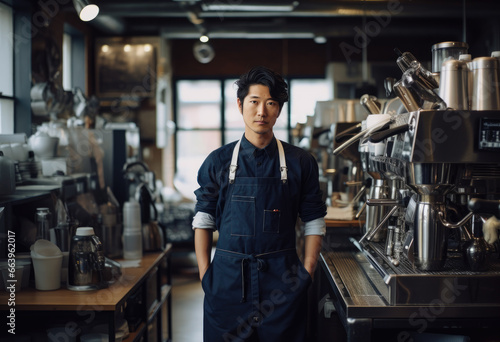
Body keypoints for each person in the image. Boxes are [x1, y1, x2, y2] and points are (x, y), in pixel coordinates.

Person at [192, 66, 326, 342]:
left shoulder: (301, 162)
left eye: (271, 103)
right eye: (254, 102)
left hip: (283, 285)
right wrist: (206, 276)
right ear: (240, 105)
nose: (261, 111)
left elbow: (314, 219)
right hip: (227, 285)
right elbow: (203, 219)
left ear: (279, 110)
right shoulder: (218, 161)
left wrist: (307, 272)